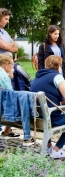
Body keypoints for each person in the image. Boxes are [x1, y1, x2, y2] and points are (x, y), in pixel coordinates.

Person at [30, 55, 65, 158]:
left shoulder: (37, 77)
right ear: (59, 66)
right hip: (50, 120)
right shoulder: (57, 77)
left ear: (46, 65)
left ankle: (48, 146)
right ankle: (57, 149)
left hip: (36, 119)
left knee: (47, 113)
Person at [0, 8, 19, 138]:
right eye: (5, 19)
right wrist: (8, 46)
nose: (7, 21)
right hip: (2, 69)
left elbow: (15, 47)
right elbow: (7, 47)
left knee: (10, 93)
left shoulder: (4, 32)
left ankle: (7, 129)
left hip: (9, 68)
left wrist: (8, 45)